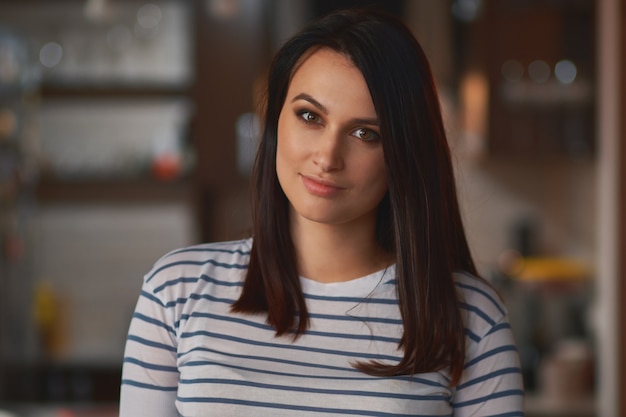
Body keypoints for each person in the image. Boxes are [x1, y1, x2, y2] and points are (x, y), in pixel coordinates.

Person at [119, 8, 524, 417]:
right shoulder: (176, 291)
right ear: (275, 122)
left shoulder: (471, 316)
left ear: (404, 153)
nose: (328, 157)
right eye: (310, 116)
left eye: (366, 133)